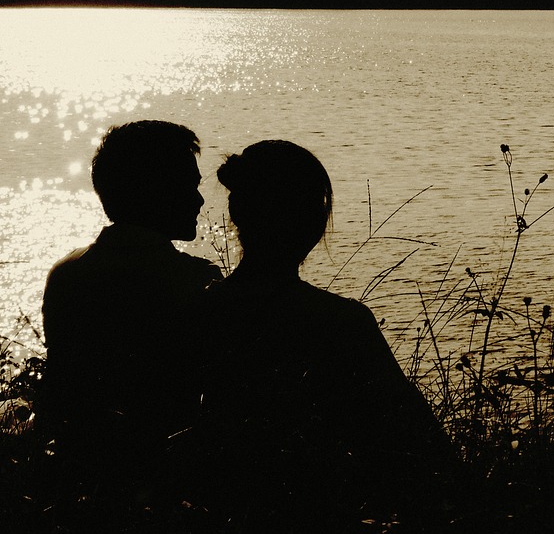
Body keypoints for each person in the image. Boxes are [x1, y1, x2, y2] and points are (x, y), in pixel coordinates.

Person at [192, 140, 452, 527]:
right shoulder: (341, 323)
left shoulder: (196, 313)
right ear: (312, 219)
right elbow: (424, 450)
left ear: (237, 214)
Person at [39, 120, 222, 510]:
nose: (199, 201)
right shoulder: (194, 281)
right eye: (189, 186)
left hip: (84, 477)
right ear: (157, 191)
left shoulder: (66, 273)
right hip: (167, 484)